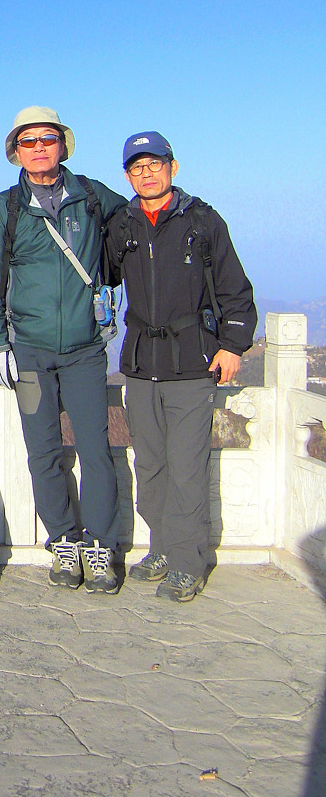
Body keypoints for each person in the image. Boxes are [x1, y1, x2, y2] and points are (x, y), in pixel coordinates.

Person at [0, 107, 126, 594]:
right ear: (16, 152)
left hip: (85, 351)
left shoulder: (93, 197)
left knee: (95, 450)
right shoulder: (5, 208)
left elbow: (136, 229)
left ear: (63, 145)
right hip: (30, 354)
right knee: (42, 451)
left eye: (48, 138)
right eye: (28, 141)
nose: (39, 147)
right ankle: (63, 540)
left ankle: (101, 545)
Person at [107, 132, 256, 602]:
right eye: (137, 167)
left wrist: (233, 345)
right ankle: (164, 548)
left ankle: (188, 563)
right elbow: (101, 274)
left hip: (192, 362)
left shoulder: (203, 221)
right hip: (140, 364)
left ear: (173, 167)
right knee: (151, 467)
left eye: (155, 164)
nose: (147, 173)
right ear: (128, 176)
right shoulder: (122, 225)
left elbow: (235, 289)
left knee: (187, 469)